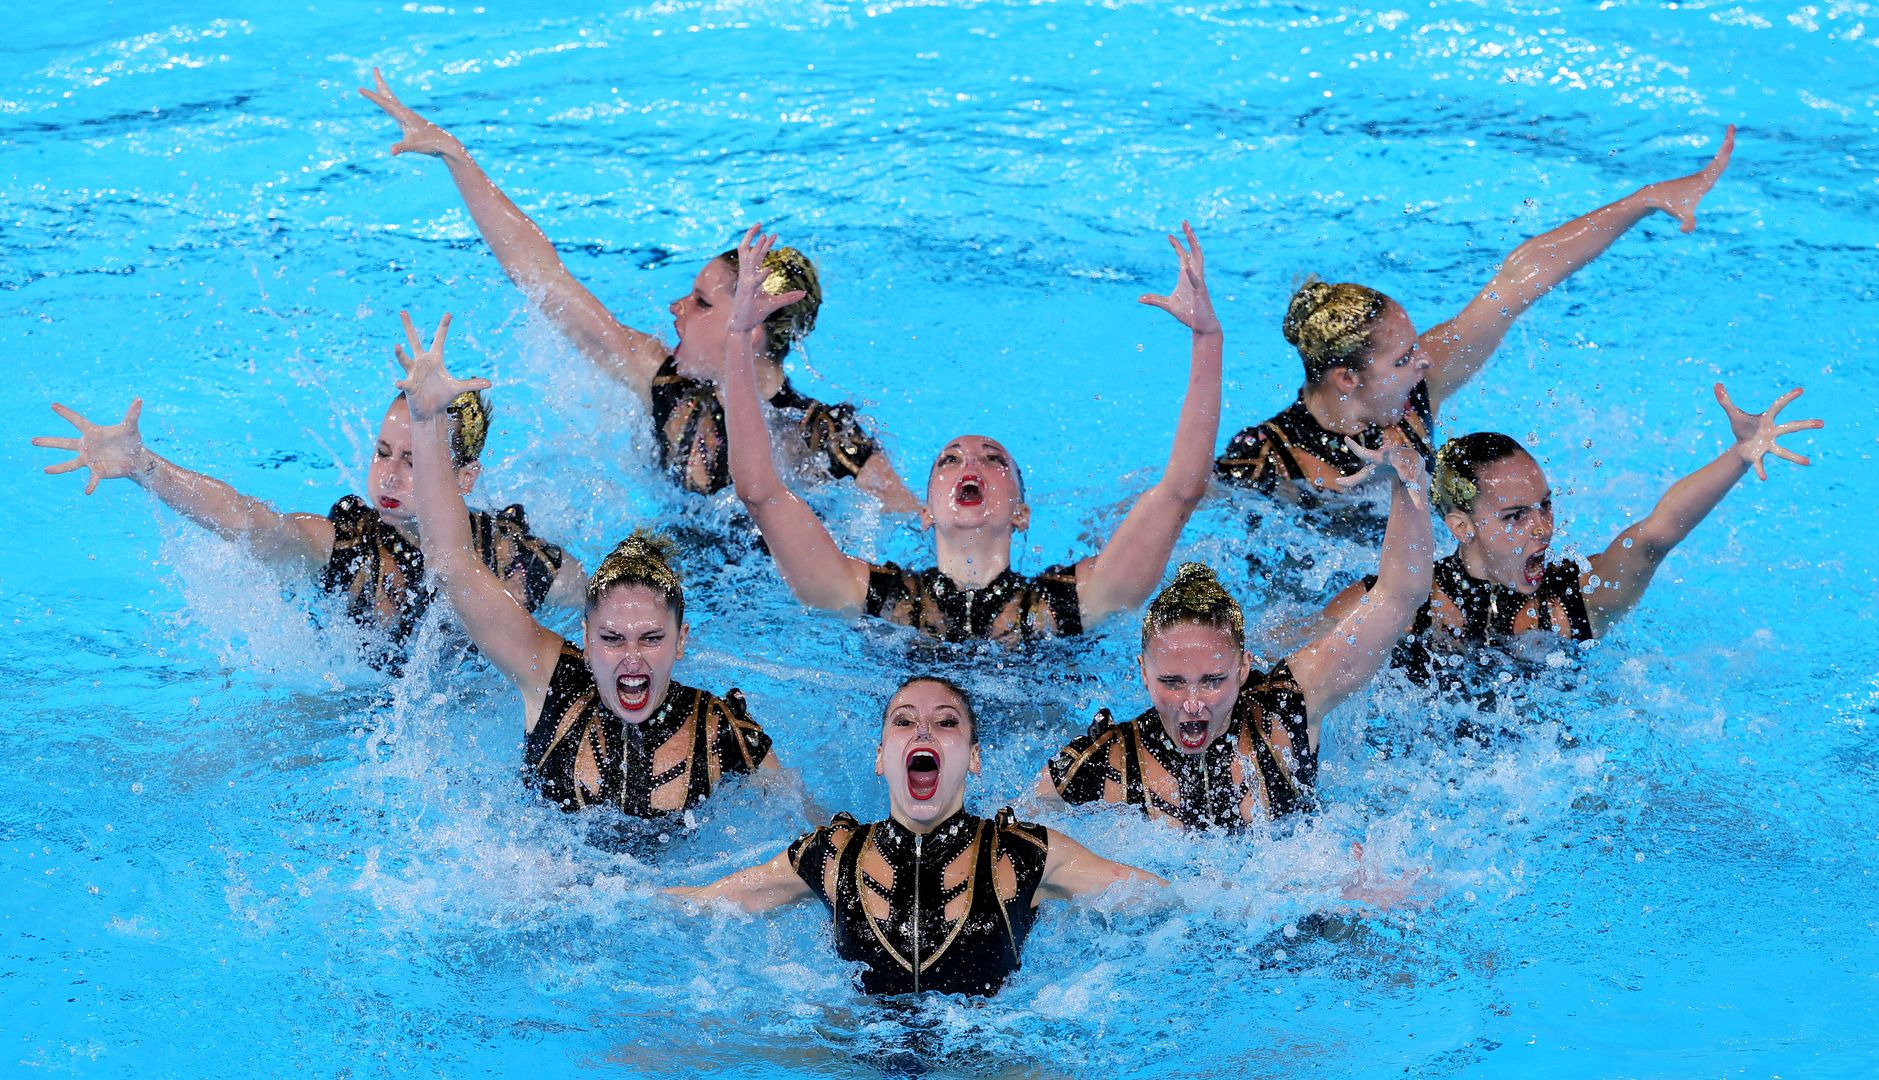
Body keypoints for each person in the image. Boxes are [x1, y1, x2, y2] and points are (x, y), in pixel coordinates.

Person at [358, 70, 920, 511]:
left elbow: (911, 518)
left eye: (701, 302)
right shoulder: (661, 380)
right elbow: (543, 277)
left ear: (751, 325)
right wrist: (457, 158)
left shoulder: (818, 436)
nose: (675, 309)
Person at [718, 223, 1224, 645]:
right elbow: (761, 495)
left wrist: (1207, 339)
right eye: (949, 460)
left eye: (993, 460)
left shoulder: (1070, 605)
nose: (971, 467)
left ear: (1021, 513)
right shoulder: (875, 599)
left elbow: (1180, 492)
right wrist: (739, 338)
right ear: (924, 511)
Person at [1216, 127, 1738, 512]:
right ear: (1348, 378)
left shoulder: (1418, 390)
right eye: (1402, 359)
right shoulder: (1266, 459)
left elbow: (1519, 279)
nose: (1422, 362)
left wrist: (1644, 200)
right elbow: (1178, 505)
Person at [393, 311, 785, 818]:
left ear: (682, 640)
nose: (631, 659)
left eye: (651, 638)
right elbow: (452, 563)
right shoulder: (549, 681)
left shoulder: (718, 733)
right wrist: (426, 425)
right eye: (612, 638)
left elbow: (804, 840)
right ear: (584, 636)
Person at [664, 676, 1165, 997]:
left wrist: (1237, 906)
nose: (923, 731)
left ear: (972, 757)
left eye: (946, 722)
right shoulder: (833, 856)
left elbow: (1160, 896)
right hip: (858, 1058)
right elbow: (707, 902)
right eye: (905, 721)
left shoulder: (1024, 855)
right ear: (882, 757)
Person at [1038, 434, 1432, 828]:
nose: (1193, 703)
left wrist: (1407, 486)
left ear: (1244, 668)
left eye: (1212, 680)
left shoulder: (1286, 712)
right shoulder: (1102, 765)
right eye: (1172, 682)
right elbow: (1028, 845)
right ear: (1143, 671)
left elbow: (1399, 595)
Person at [1316, 383, 1822, 677]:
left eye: (1545, 506)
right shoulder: (1402, 603)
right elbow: (1301, 669)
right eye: (1515, 516)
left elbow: (1655, 535)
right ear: (1460, 525)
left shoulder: (1575, 597)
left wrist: (1738, 456)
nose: (1542, 529)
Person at [31, 385, 583, 649]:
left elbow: (600, 605)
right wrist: (145, 466)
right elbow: (253, 523)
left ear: (464, 479)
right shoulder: (345, 548)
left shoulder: (518, 561)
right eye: (383, 452)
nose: (389, 476)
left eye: (415, 461)